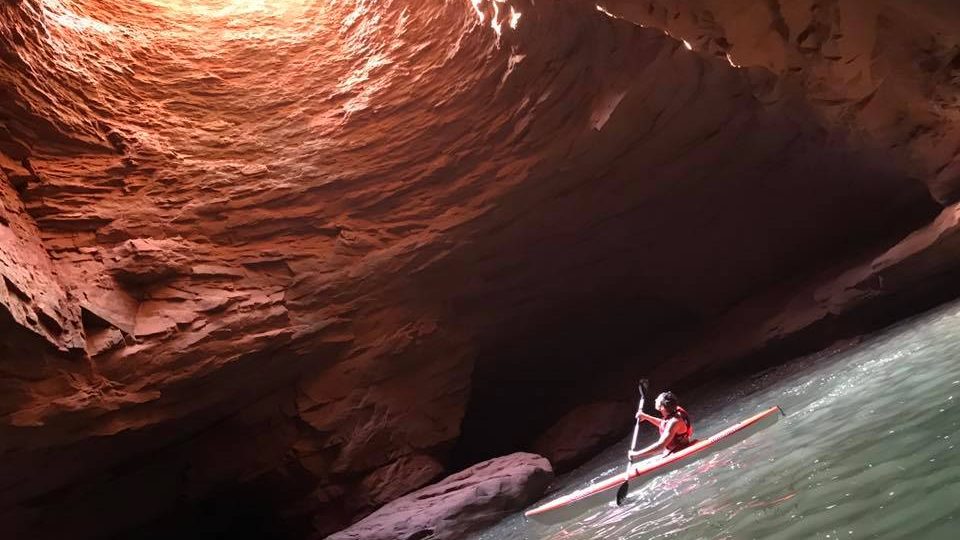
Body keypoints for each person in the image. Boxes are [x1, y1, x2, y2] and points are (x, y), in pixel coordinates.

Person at [627, 391, 694, 463]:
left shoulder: (675, 421)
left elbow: (660, 446)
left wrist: (636, 455)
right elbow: (664, 425)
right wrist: (646, 417)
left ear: (662, 407)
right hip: (673, 451)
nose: (655, 400)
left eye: (658, 400)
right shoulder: (673, 411)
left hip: (679, 453)